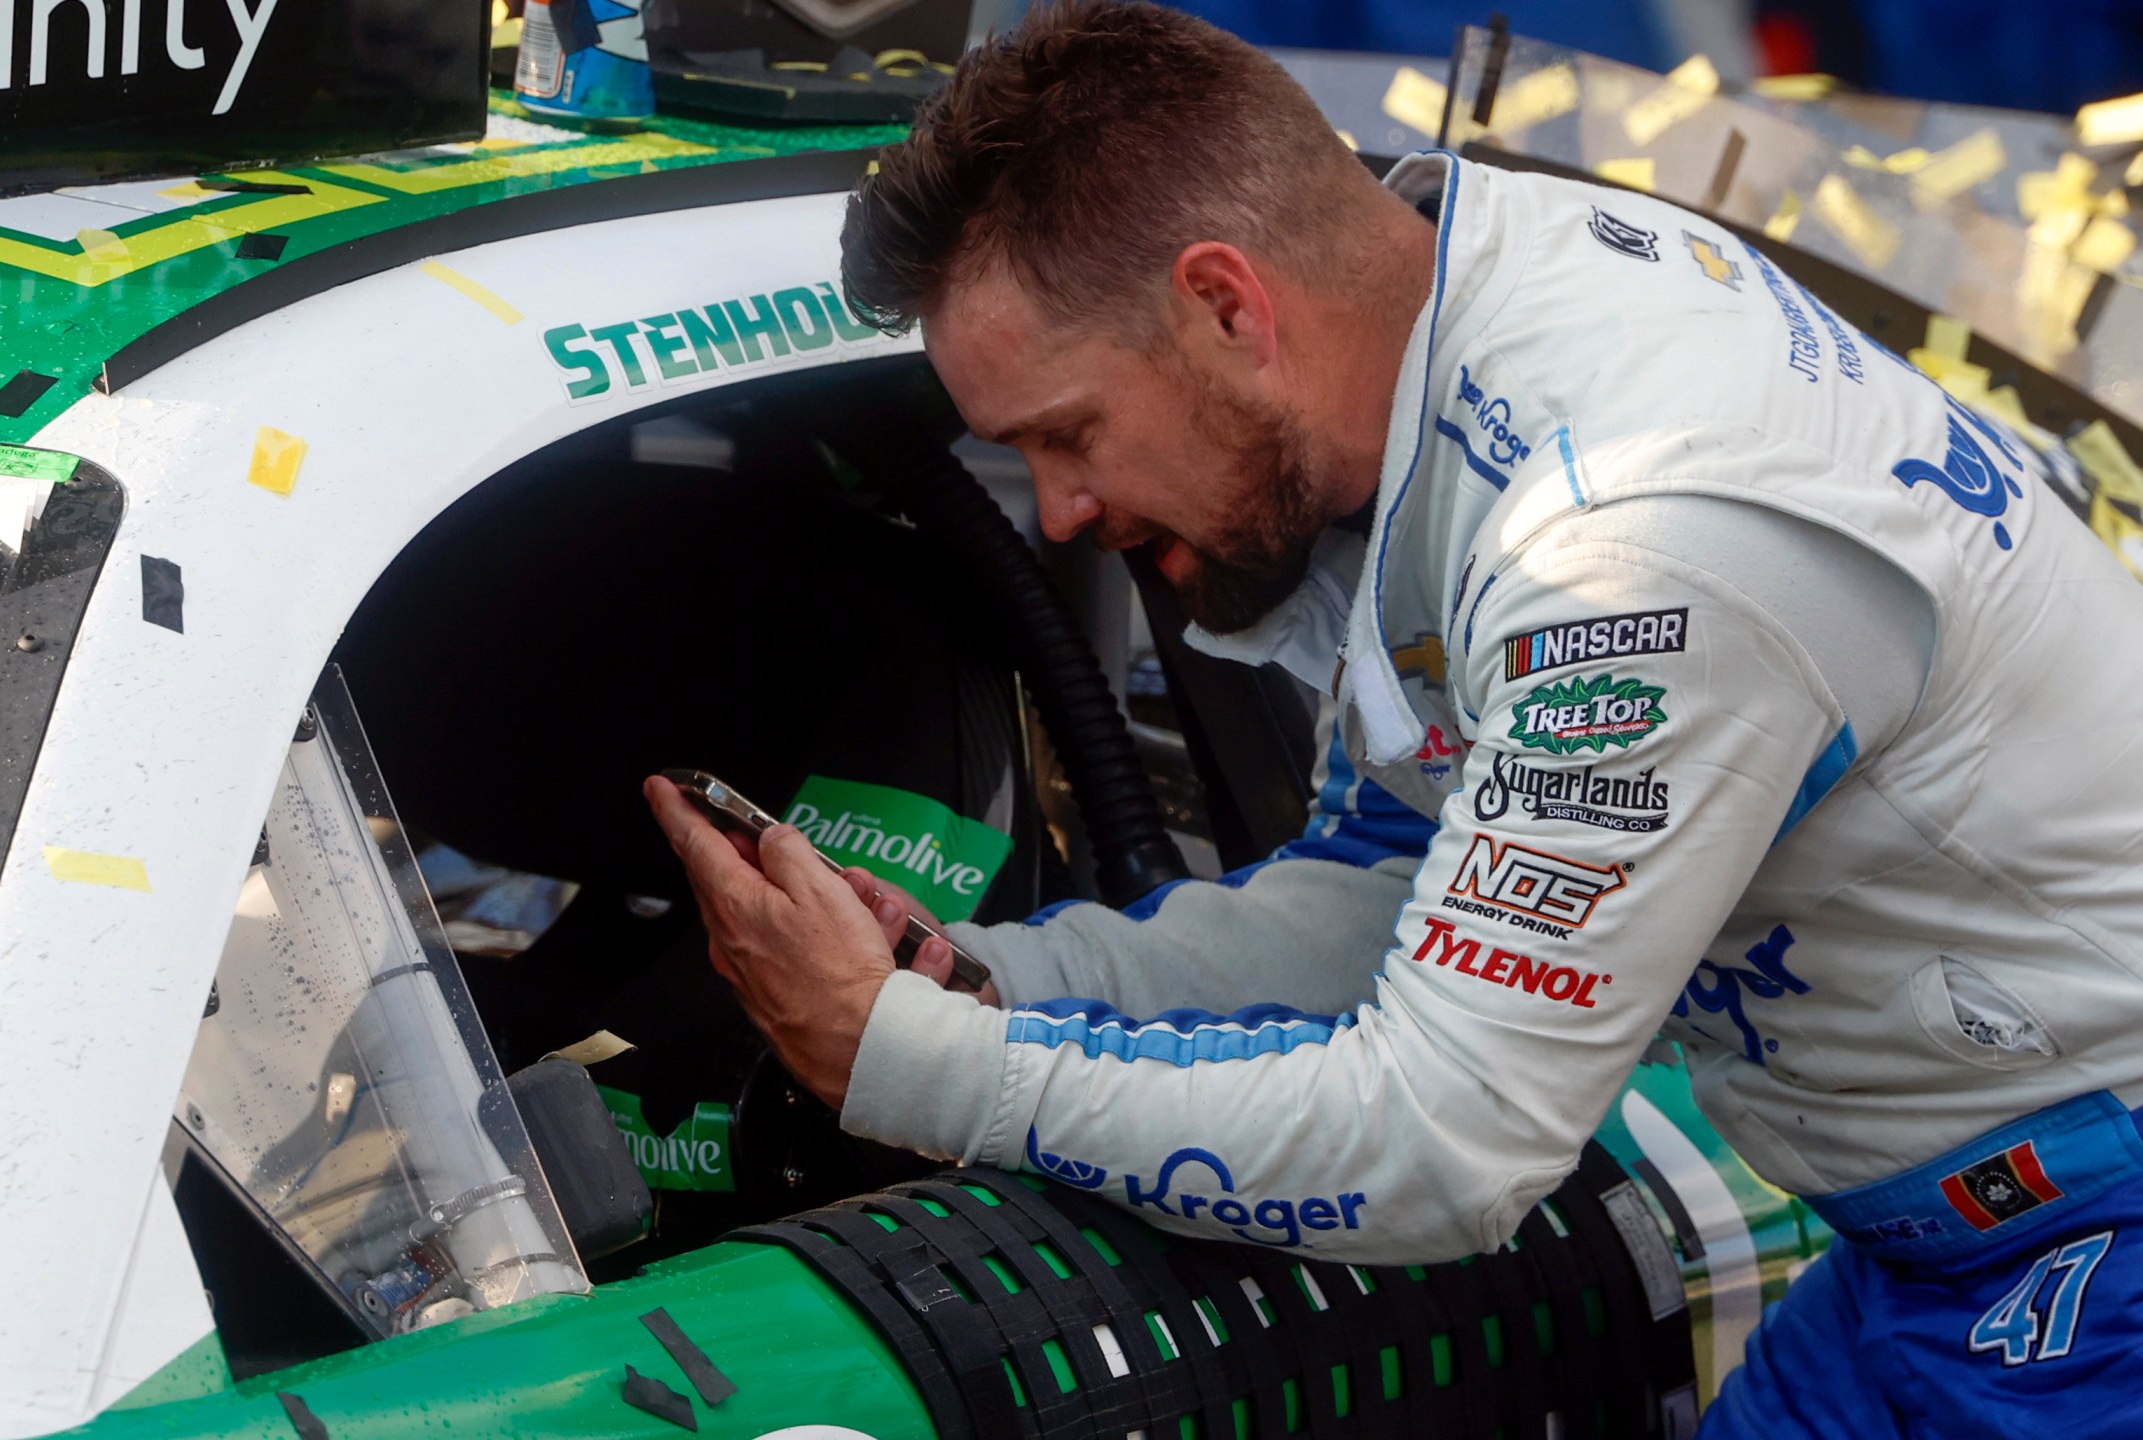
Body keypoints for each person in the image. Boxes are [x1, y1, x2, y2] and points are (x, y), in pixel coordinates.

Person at [642, 3, 2143, 1432]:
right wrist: (982, 978)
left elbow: (1447, 1145)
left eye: (1066, 433)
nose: (1060, 509)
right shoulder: (1466, 318)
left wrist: (917, 1066)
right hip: (1953, 1238)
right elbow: (1394, 894)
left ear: (1228, 305)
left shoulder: (1632, 537)